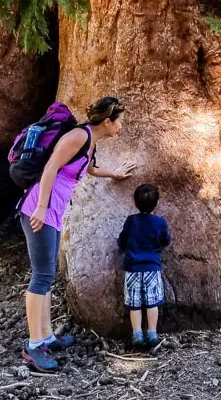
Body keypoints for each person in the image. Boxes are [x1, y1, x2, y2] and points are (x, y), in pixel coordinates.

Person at [19, 96, 135, 372]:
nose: (121, 127)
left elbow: (88, 168)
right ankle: (34, 346)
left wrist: (114, 174)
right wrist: (41, 207)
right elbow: (50, 169)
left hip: (54, 212)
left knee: (46, 275)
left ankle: (46, 336)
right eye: (120, 122)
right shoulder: (76, 136)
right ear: (107, 121)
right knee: (41, 275)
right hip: (40, 209)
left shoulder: (89, 141)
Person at [117, 183, 171, 348]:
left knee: (135, 304)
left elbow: (122, 241)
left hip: (133, 269)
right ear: (157, 203)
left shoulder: (131, 221)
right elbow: (166, 241)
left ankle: (137, 335)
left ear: (134, 203)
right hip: (152, 269)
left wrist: (122, 245)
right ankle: (152, 333)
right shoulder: (160, 222)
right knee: (152, 302)